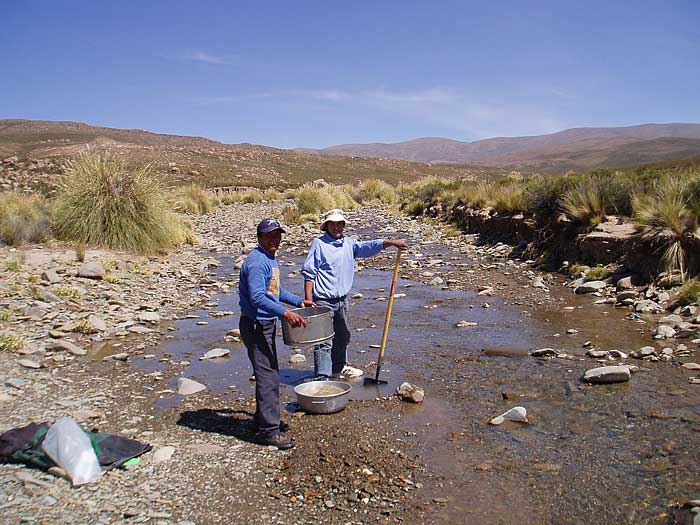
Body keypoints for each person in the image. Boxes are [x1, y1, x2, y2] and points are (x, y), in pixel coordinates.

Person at [301, 209, 407, 380]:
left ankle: (339, 367)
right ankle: (322, 378)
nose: (336, 227)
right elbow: (309, 273)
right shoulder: (318, 244)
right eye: (332, 224)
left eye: (339, 224)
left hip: (342, 300)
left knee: (342, 336)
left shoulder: (349, 244)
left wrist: (391, 242)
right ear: (326, 226)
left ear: (343, 225)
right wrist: (308, 299)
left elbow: (368, 247)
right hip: (322, 301)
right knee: (323, 341)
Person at [239, 218, 312, 450]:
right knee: (269, 376)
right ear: (259, 237)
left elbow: (275, 291)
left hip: (264, 323)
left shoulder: (269, 258)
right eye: (270, 236)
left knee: (267, 372)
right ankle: (268, 431)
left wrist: (298, 301)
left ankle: (263, 420)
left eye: (278, 235)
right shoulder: (258, 262)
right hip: (256, 325)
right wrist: (285, 314)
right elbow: (257, 297)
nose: (275, 240)